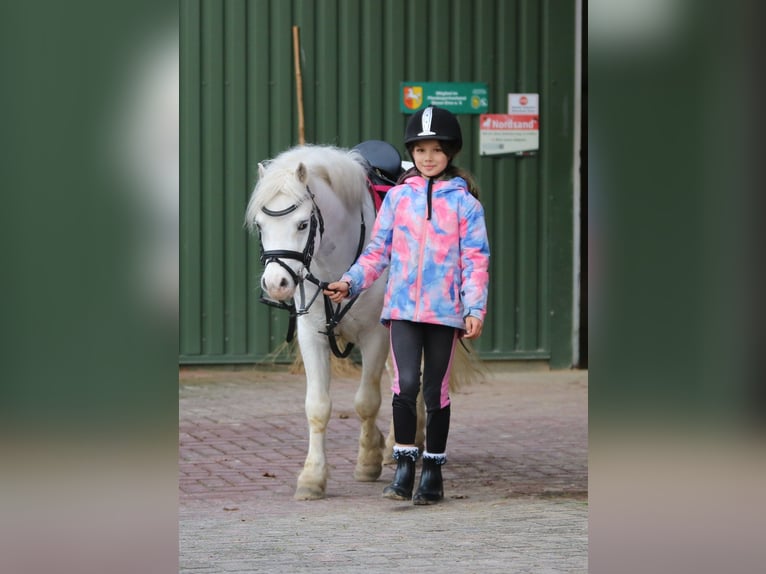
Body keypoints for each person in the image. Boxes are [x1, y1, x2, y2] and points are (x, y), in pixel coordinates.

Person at [324, 106, 490, 505]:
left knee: (434, 392)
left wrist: (475, 308)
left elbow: (476, 260)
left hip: (445, 312)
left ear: (449, 153)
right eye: (420, 150)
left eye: (435, 150)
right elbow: (377, 251)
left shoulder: (466, 205)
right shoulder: (398, 199)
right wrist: (351, 281)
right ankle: (403, 468)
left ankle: (432, 472)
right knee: (405, 388)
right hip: (401, 311)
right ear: (411, 154)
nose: (427, 158)